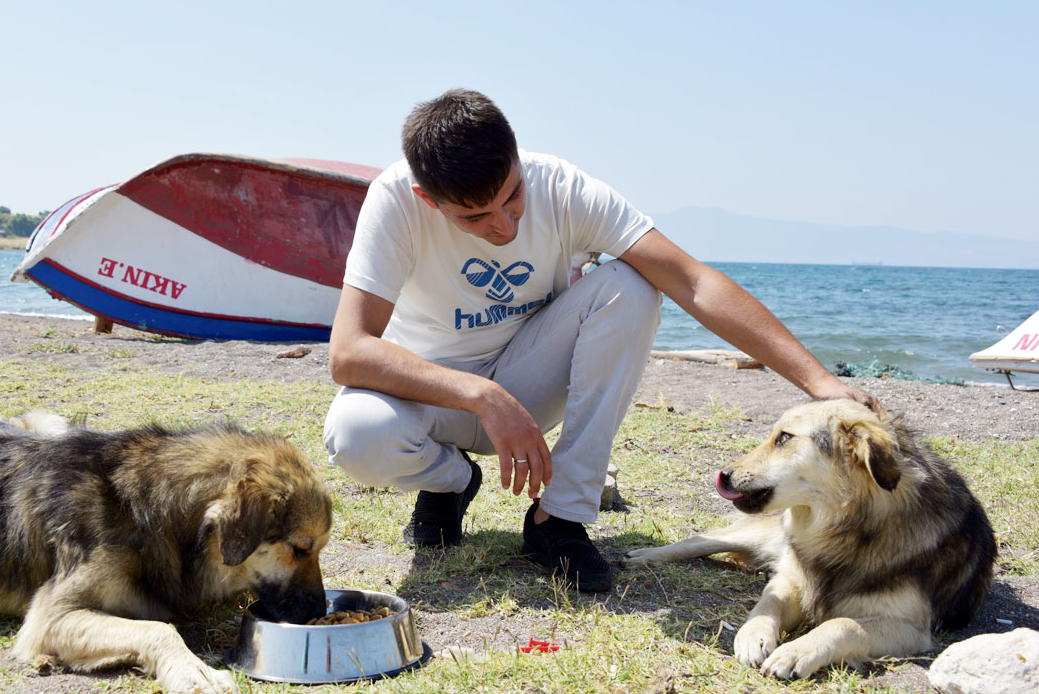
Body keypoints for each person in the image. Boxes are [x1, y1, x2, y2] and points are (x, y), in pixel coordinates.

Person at [323, 89, 871, 593]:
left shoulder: (562, 187)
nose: (506, 226)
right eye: (476, 216)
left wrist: (822, 383)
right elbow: (349, 351)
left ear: (518, 155)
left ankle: (558, 516)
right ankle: (451, 481)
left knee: (633, 284)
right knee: (355, 433)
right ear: (427, 198)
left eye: (513, 197)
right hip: (436, 396)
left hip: (529, 378)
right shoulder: (394, 200)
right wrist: (479, 395)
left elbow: (692, 279)